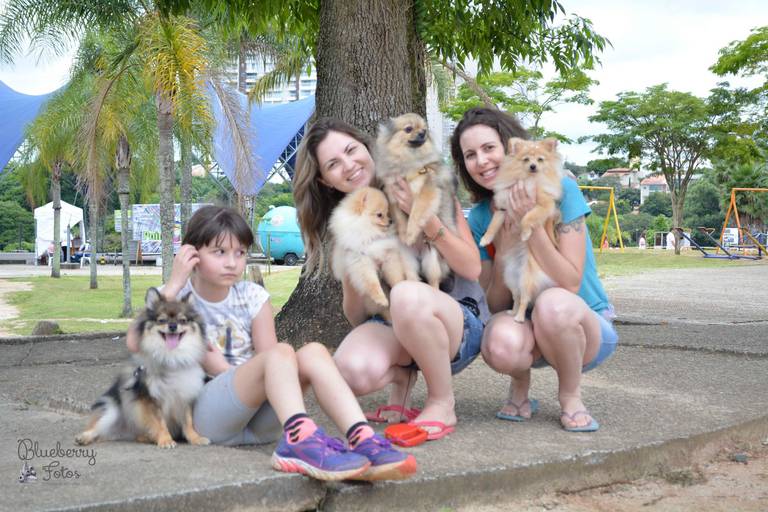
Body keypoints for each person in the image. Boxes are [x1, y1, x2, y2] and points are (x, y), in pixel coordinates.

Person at [126, 206, 416, 481]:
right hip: (205, 418)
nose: (232, 262)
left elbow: (272, 360)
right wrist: (175, 284)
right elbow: (134, 343)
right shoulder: (173, 299)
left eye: (240, 253)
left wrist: (230, 368)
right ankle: (300, 440)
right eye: (220, 252)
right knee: (280, 354)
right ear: (191, 255)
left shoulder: (252, 296)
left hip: (261, 422)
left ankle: (360, 437)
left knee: (311, 352)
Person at [293, 118, 489, 440]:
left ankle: (442, 401)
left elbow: (471, 268)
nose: (348, 165)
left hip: (458, 319)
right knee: (351, 372)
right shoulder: (349, 222)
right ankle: (403, 378)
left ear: (366, 146)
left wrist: (425, 221)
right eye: (333, 164)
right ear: (326, 180)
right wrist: (357, 264)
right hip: (398, 323)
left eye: (350, 150)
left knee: (407, 295)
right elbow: (357, 317)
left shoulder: (421, 182)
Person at [451, 107, 618, 432]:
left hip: (582, 329)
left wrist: (533, 228)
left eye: (489, 148)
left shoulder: (562, 192)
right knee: (499, 343)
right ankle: (520, 389)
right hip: (527, 327)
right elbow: (494, 304)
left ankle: (570, 396)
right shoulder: (481, 218)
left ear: (510, 148)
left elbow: (569, 282)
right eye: (470, 155)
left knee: (553, 304)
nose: (481, 161)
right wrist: (505, 248)